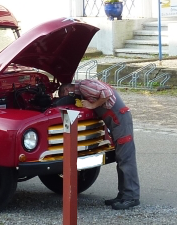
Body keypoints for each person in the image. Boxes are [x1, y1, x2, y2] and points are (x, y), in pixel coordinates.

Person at [59, 79, 140, 210]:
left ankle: (131, 197)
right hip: (116, 122)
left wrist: (92, 105)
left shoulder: (84, 86)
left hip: (120, 121)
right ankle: (123, 195)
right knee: (120, 159)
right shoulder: (84, 89)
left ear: (67, 90)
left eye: (64, 96)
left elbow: (106, 93)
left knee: (126, 159)